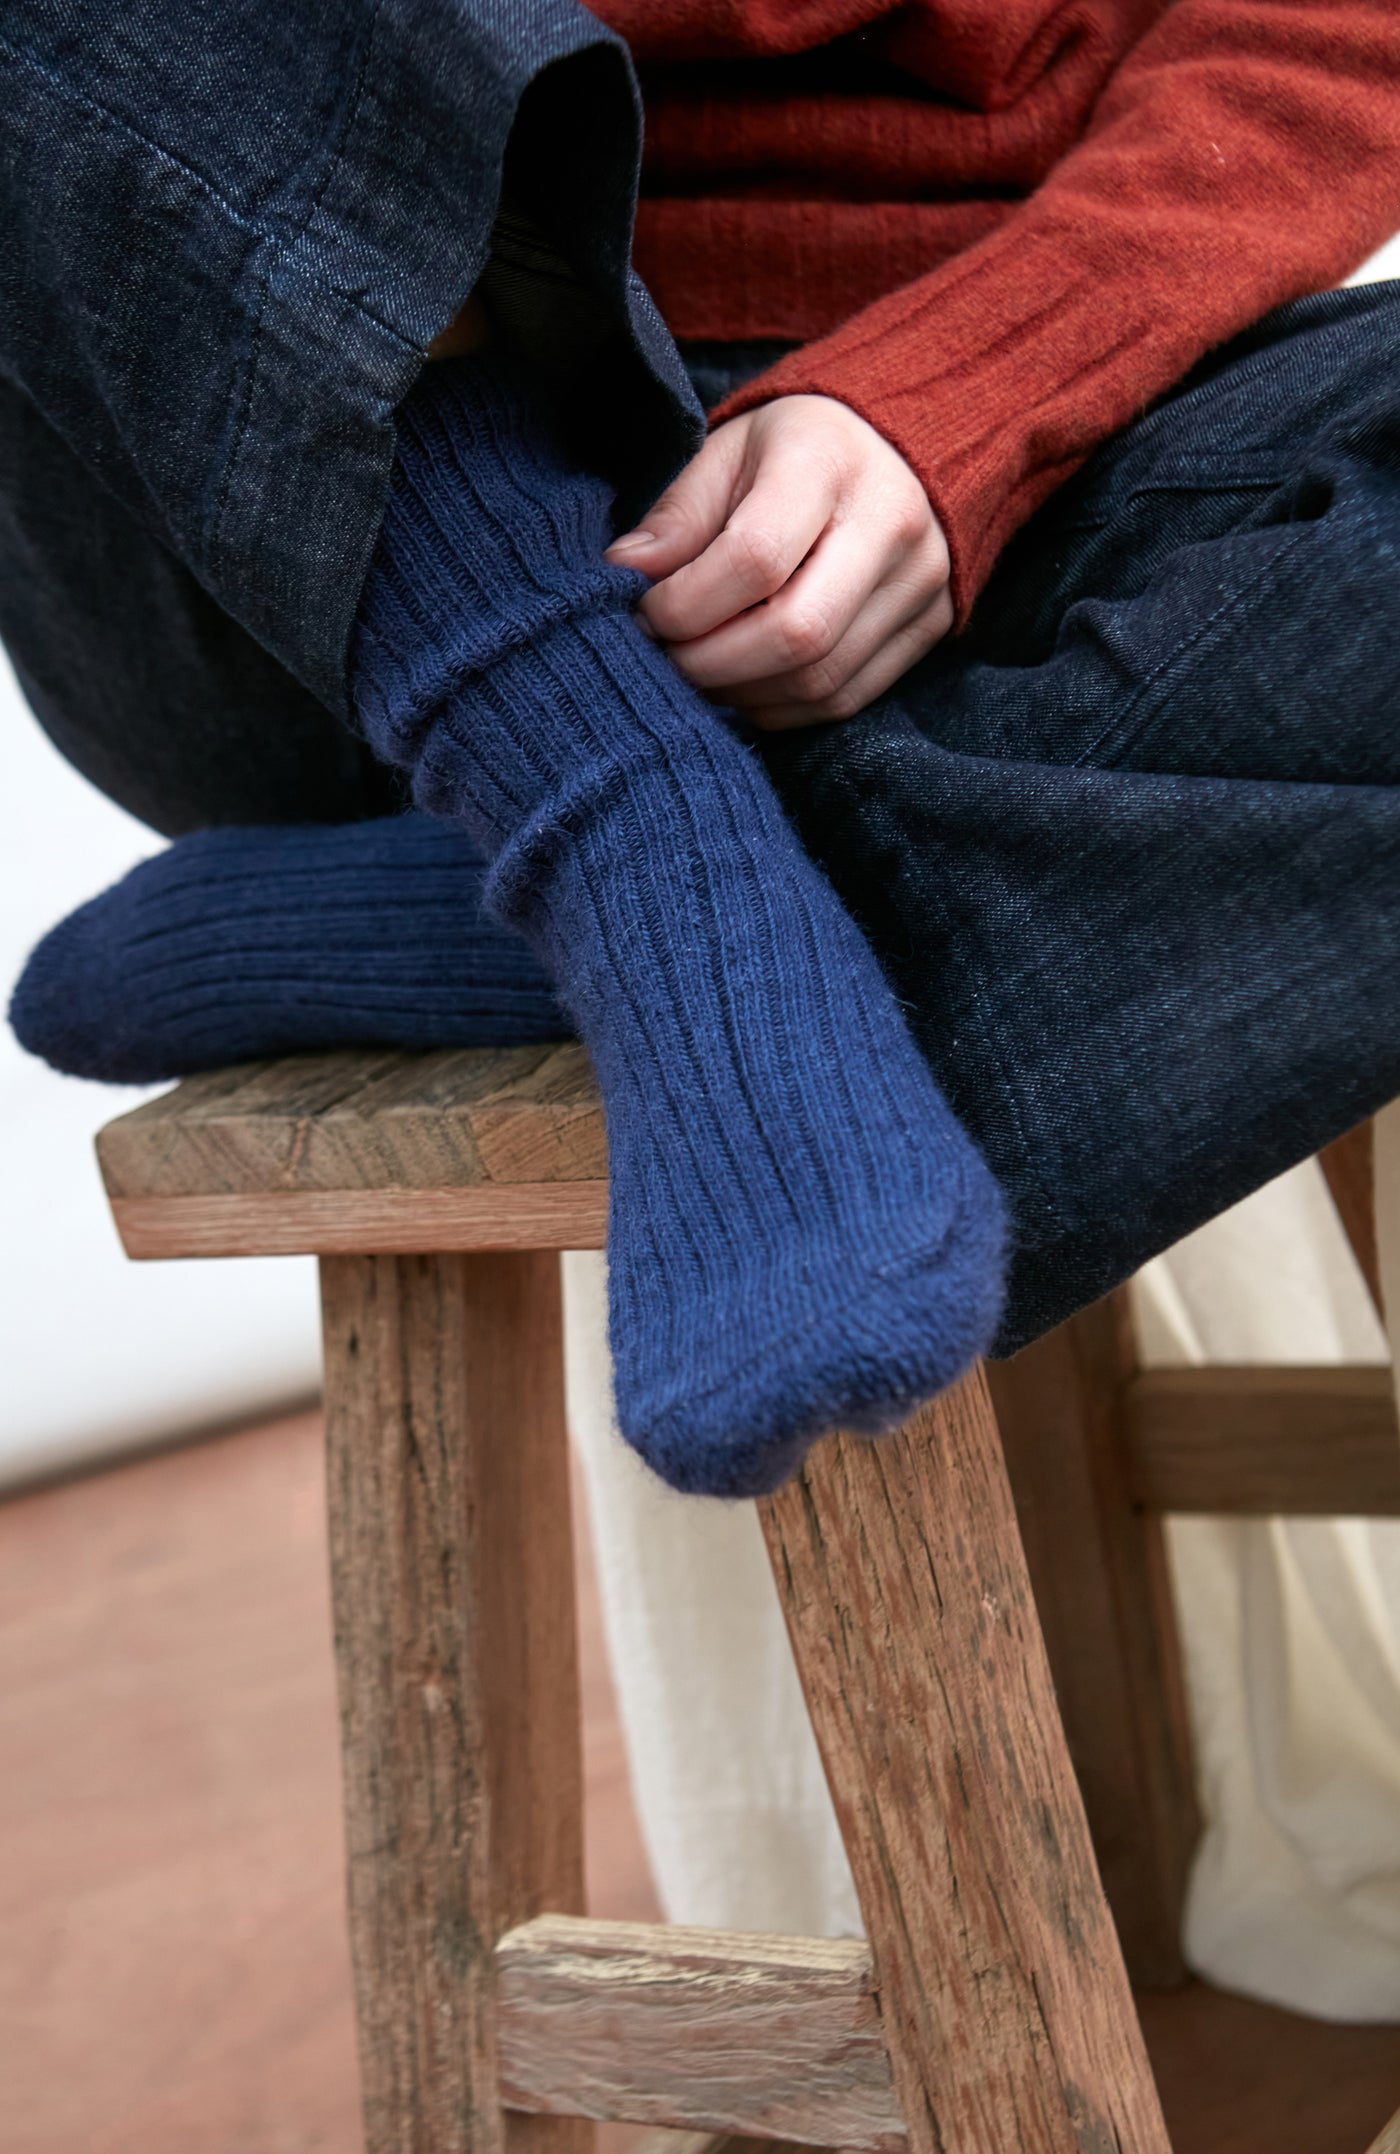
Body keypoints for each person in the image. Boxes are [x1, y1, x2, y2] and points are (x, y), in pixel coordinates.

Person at [6, 0, 1400, 1496]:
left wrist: (977, 389)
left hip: (1001, 394)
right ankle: (632, 835)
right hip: (278, 482)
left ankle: (514, 902)